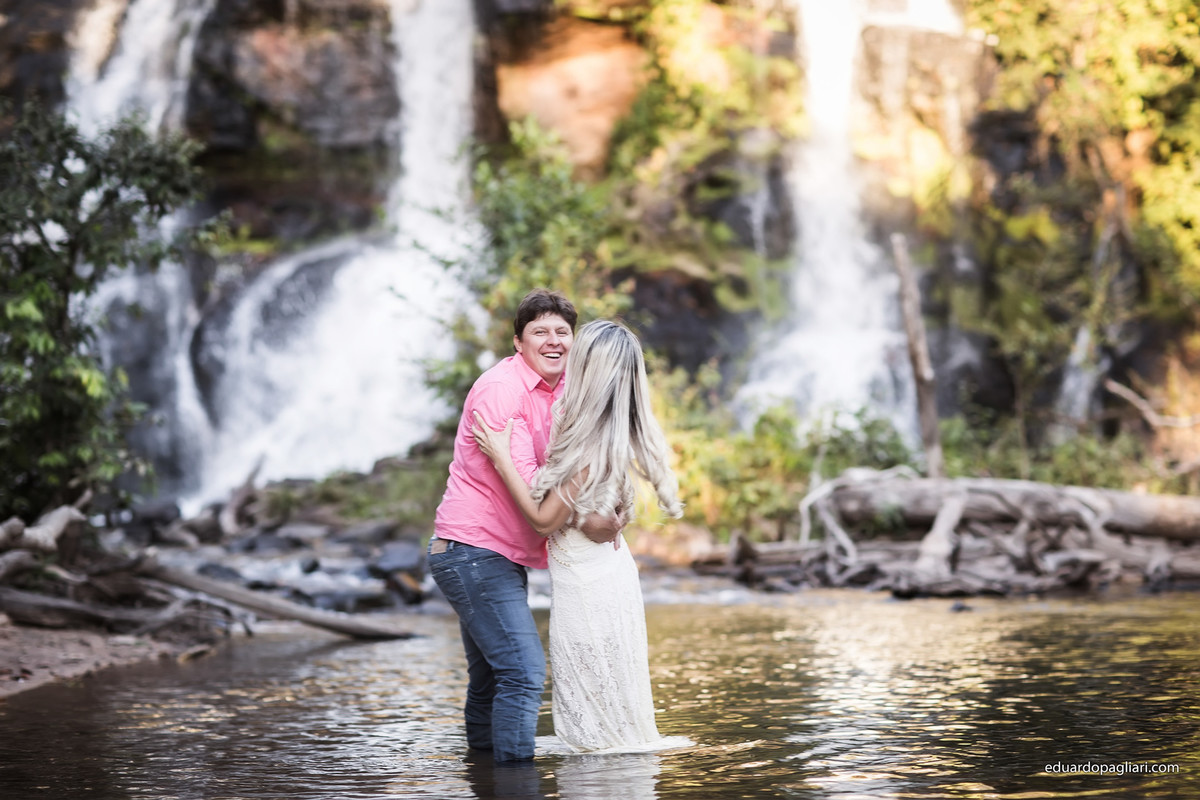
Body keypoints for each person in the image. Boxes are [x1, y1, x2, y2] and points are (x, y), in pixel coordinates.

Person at [472, 319, 685, 753]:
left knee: (594, 716)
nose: (565, 354)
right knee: (597, 705)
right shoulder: (591, 426)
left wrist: (500, 456)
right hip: (598, 575)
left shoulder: (588, 441)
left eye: (576, 352)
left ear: (590, 368)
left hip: (590, 587)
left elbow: (544, 519)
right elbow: (581, 512)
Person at [428, 290, 621, 764]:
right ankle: (515, 782)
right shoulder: (502, 390)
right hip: (472, 551)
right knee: (523, 671)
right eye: (540, 332)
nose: (553, 341)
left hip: (492, 555)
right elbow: (537, 493)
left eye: (562, 332)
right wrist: (586, 515)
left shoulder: (561, 393)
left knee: (492, 677)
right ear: (519, 342)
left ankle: (486, 779)